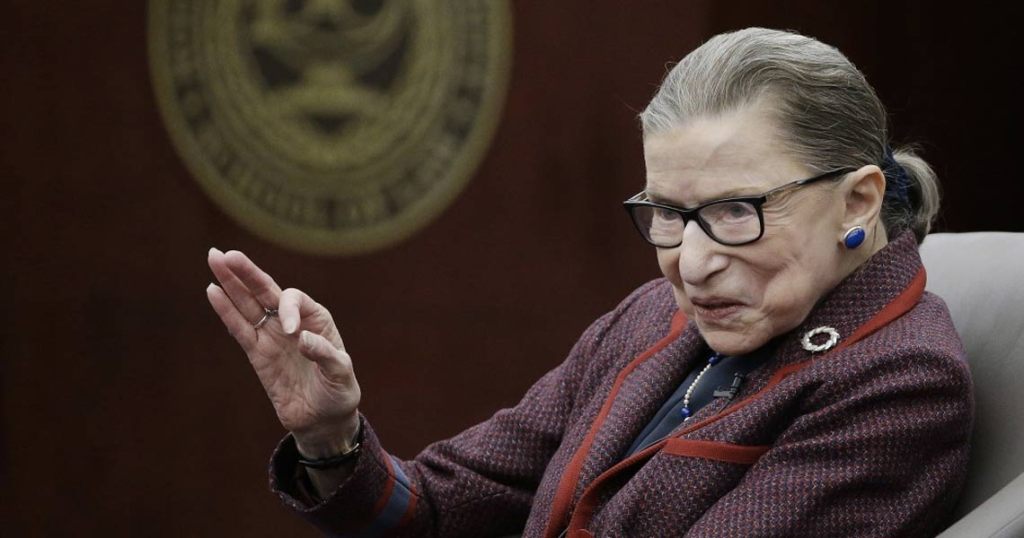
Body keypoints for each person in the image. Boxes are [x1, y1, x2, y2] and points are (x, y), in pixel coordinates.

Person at [206, 28, 972, 537]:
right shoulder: (655, 316)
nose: (691, 263)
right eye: (668, 214)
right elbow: (440, 508)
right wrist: (330, 437)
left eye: (736, 211)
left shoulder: (900, 382)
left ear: (858, 201)